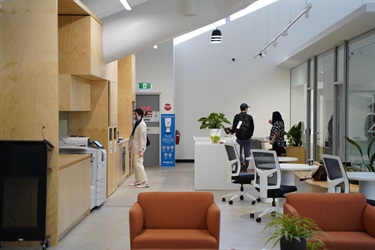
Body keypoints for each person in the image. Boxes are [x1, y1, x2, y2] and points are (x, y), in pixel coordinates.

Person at [230, 103, 254, 172]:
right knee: (247, 153)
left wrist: (232, 132)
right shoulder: (249, 117)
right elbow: (252, 127)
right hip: (247, 138)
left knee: (238, 152)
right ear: (246, 109)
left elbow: (234, 126)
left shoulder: (237, 116)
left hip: (239, 138)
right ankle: (245, 168)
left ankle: (242, 162)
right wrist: (250, 135)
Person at [128, 108, 149, 188]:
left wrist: (141, 150)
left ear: (137, 114)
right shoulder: (138, 123)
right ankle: (138, 181)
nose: (133, 115)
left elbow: (142, 139)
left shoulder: (142, 125)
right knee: (135, 164)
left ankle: (144, 181)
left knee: (139, 164)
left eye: (134, 114)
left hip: (138, 149)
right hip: (135, 148)